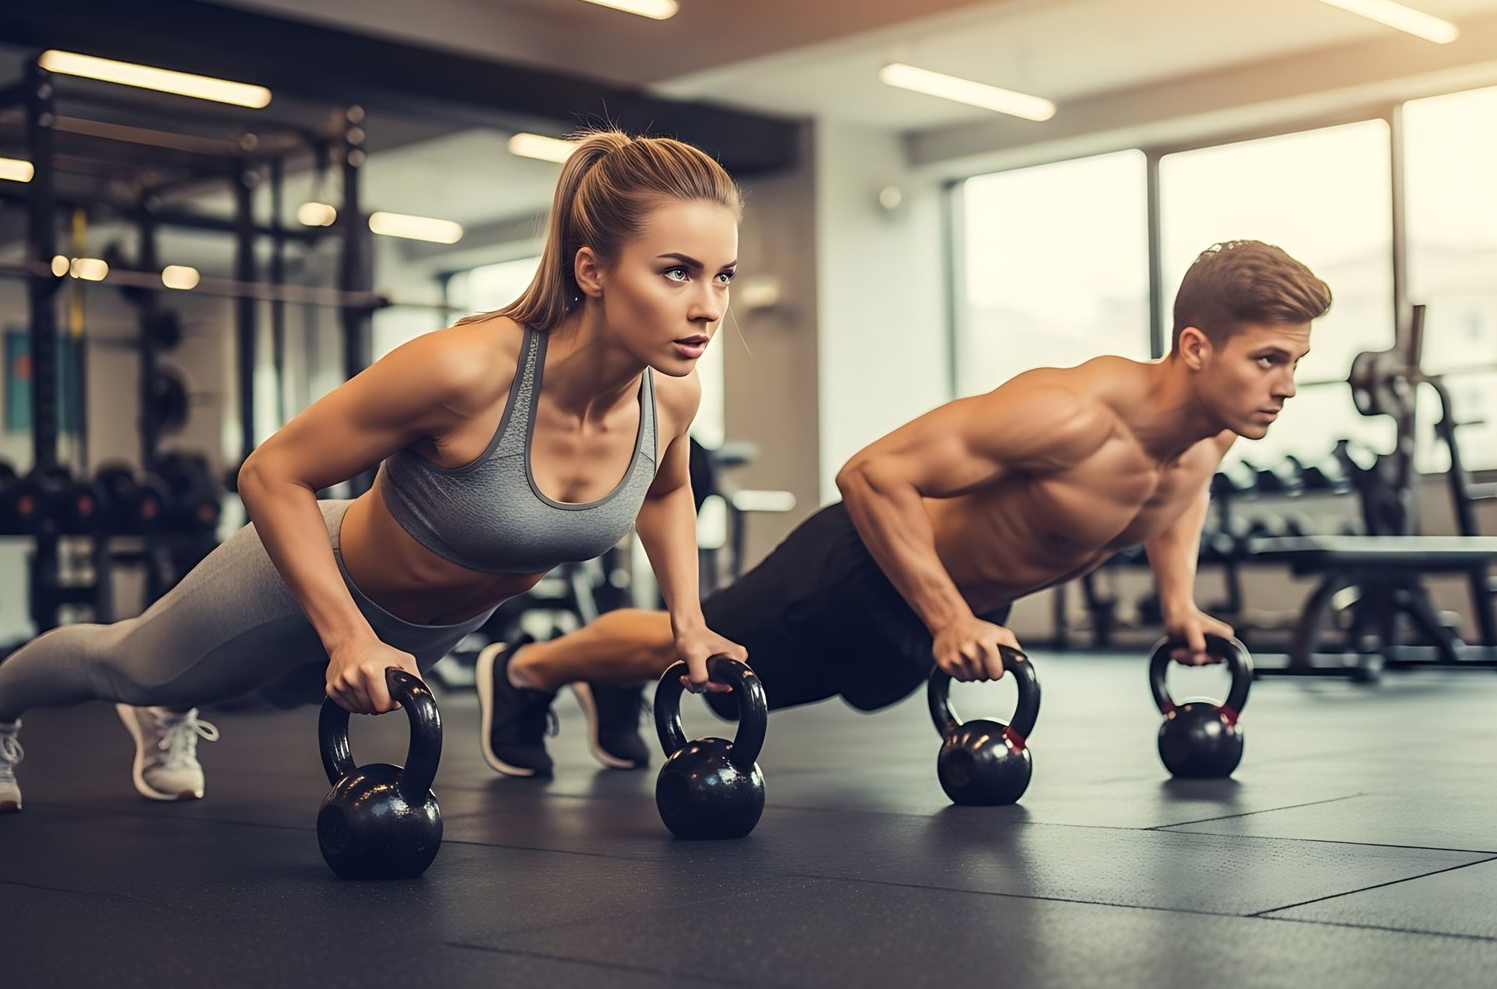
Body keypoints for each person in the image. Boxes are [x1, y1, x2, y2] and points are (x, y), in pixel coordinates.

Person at [0, 129, 746, 812]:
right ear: (592, 270)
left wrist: (688, 620)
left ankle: (175, 703)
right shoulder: (466, 371)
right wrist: (345, 634)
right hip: (303, 581)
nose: (708, 306)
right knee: (131, 666)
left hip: (421, 634)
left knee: (253, 691)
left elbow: (668, 491)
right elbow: (272, 473)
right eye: (676, 271)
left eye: (723, 276)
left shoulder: (671, 394)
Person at [479, 240, 1332, 775]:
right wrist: (948, 616)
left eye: (1293, 363)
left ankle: (603, 682)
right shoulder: (1072, 413)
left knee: (735, 687)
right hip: (864, 569)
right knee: (714, 664)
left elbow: (1175, 499)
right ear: (1195, 346)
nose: (1286, 387)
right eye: (1268, 361)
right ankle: (527, 670)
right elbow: (871, 473)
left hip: (949, 611)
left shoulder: (1210, 433)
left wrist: (1178, 605)